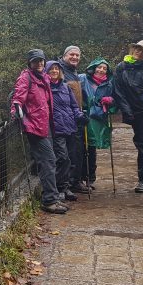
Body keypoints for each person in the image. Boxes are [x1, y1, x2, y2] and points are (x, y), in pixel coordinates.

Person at [11, 49, 67, 214]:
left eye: (41, 60)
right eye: (36, 61)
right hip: (34, 127)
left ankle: (52, 196)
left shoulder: (44, 78)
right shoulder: (26, 78)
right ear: (30, 63)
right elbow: (18, 98)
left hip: (45, 125)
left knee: (49, 161)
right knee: (49, 161)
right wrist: (16, 113)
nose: (39, 63)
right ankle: (49, 200)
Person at [113, 40, 143, 192]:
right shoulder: (122, 67)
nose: (139, 52)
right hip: (131, 110)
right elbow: (118, 90)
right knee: (142, 144)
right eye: (137, 49)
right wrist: (126, 109)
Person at [45, 60, 87, 202]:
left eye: (56, 69)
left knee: (70, 158)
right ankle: (59, 188)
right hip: (56, 129)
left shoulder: (65, 87)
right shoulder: (45, 88)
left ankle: (66, 186)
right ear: (46, 72)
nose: (54, 71)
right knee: (62, 158)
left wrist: (80, 116)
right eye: (51, 69)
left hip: (70, 127)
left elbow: (74, 106)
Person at [57, 45, 90, 194]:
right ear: (64, 56)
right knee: (68, 154)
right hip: (65, 119)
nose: (75, 57)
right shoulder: (59, 71)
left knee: (78, 151)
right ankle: (68, 184)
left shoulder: (73, 72)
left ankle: (75, 181)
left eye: (77, 55)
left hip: (76, 117)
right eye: (71, 54)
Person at [79, 58, 116, 187]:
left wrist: (110, 101)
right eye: (99, 67)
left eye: (104, 68)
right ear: (94, 68)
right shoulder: (83, 79)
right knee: (83, 148)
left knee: (92, 147)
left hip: (98, 119)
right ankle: (80, 177)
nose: (101, 70)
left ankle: (90, 177)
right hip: (83, 117)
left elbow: (115, 102)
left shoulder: (109, 84)